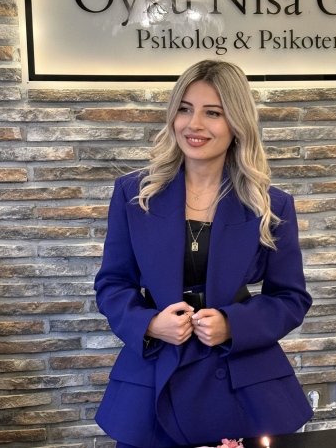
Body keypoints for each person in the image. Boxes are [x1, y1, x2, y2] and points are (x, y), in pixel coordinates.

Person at [94, 60, 313, 448]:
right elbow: (113, 283)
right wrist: (149, 324)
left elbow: (290, 298)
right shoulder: (133, 194)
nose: (194, 124)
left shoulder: (271, 205)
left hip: (241, 381)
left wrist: (233, 324)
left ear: (237, 123)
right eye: (184, 109)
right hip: (154, 377)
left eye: (212, 113)